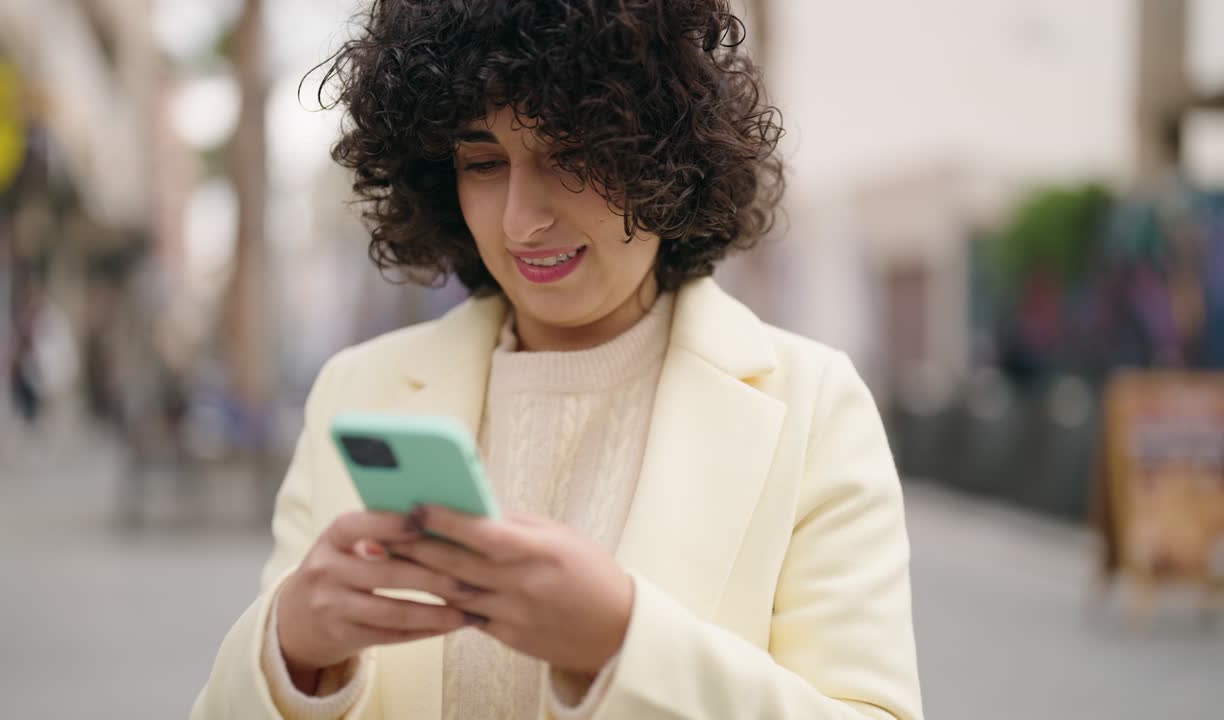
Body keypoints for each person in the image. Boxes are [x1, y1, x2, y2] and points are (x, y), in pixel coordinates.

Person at [192, 1, 922, 718]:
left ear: (667, 153)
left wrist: (622, 644)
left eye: (572, 154)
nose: (520, 218)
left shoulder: (815, 407)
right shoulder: (356, 390)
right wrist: (290, 652)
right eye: (482, 161)